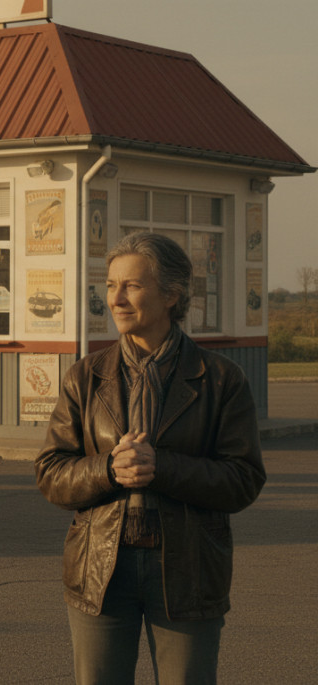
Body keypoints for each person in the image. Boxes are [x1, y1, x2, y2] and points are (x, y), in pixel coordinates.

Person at [35, 232, 265, 684]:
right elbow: (50, 472)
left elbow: (243, 479)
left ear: (172, 294)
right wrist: (107, 469)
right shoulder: (85, 376)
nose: (116, 299)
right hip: (100, 569)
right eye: (111, 285)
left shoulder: (221, 379)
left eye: (132, 286)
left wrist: (162, 468)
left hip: (190, 569)